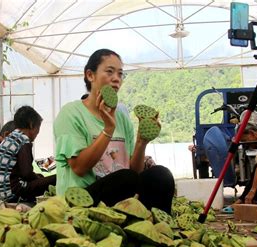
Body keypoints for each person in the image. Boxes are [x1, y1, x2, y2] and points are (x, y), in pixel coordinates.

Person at [53, 48, 175, 213]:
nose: (116, 79)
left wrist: (141, 142)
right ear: (90, 75)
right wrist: (108, 129)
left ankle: (156, 230)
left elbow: (135, 172)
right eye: (110, 72)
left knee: (161, 175)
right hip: (82, 199)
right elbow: (79, 167)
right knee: (126, 179)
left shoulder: (122, 117)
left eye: (120, 74)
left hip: (120, 191)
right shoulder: (71, 113)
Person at [0, 106, 56, 203]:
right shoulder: (23, 140)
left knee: (41, 178)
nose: (38, 133)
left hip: (1, 193)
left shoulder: (9, 138)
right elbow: (27, 173)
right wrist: (39, 179)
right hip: (14, 193)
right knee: (55, 178)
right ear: (31, 125)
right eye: (38, 127)